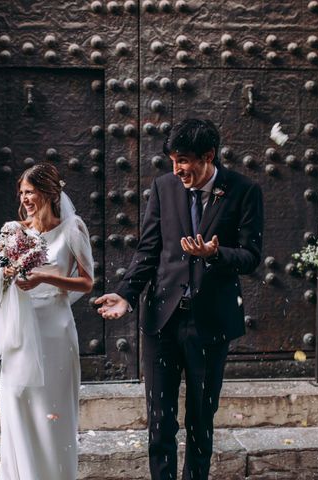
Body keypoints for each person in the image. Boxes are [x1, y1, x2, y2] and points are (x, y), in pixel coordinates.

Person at [95, 119, 263, 480]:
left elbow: (251, 257)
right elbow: (149, 250)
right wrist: (126, 294)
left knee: (201, 420)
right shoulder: (163, 187)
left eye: (184, 161)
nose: (177, 169)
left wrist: (216, 255)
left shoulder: (244, 190)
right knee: (159, 421)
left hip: (210, 323)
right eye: (173, 160)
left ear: (208, 156)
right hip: (162, 321)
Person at [0, 163, 94, 480]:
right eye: (23, 192)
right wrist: (2, 275)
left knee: (50, 414)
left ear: (49, 192)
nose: (26, 198)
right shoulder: (15, 230)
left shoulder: (72, 229)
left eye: (31, 191)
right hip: (20, 329)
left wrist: (46, 277)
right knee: (17, 401)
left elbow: (87, 282)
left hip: (55, 330)